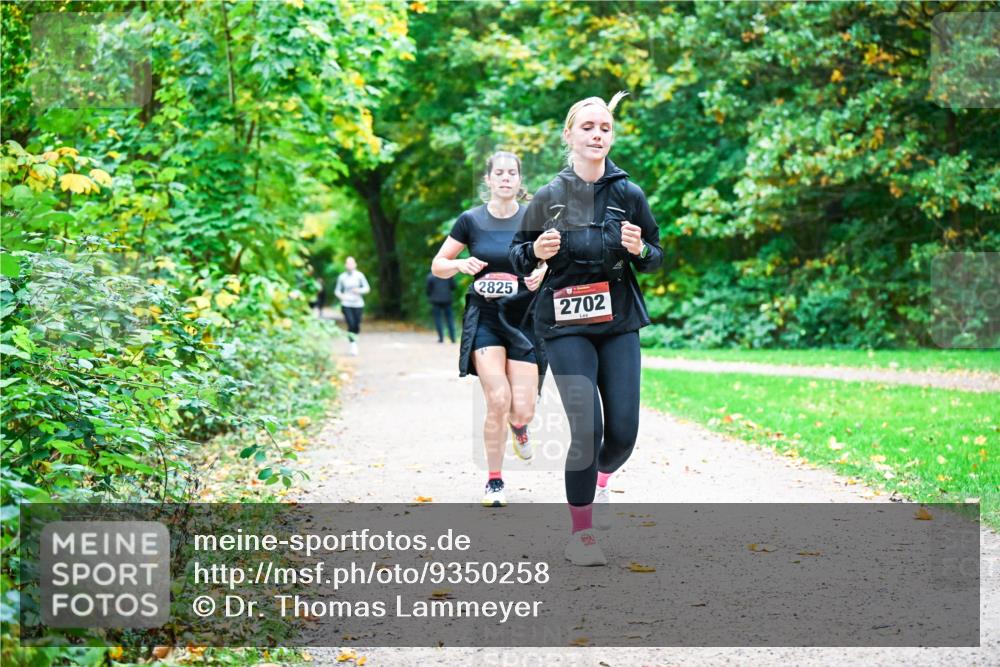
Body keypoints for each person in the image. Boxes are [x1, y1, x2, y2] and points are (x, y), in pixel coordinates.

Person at [509, 92, 662, 565]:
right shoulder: (548, 198)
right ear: (570, 135)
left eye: (605, 128)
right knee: (587, 429)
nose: (598, 135)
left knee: (622, 433)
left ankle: (601, 481)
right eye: (589, 127)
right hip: (564, 324)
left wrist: (640, 250)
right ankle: (582, 533)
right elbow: (517, 255)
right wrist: (538, 253)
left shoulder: (628, 194)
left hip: (617, 322)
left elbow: (657, 257)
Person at [431, 151, 547, 507]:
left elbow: (555, 259)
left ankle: (520, 427)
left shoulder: (534, 218)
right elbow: (438, 265)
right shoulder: (471, 220)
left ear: (519, 179)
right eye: (499, 173)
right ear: (488, 180)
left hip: (526, 318)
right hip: (487, 318)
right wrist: (461, 263)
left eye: (512, 173)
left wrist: (544, 272)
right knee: (498, 399)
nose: (506, 178)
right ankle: (494, 481)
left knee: (522, 407)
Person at [334, 256, 370, 356]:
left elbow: (367, 288)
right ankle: (353, 344)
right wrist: (341, 296)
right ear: (345, 265)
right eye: (347, 263)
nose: (349, 265)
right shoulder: (342, 277)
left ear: (355, 264)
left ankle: (355, 339)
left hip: (358, 304)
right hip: (346, 304)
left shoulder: (359, 276)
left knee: (356, 324)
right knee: (350, 323)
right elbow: (337, 290)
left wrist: (359, 290)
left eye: (351, 263)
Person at [425, 272, 456, 343]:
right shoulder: (448, 275)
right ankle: (453, 338)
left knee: (438, 319)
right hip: (447, 299)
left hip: (435, 300)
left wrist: (431, 296)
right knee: (449, 319)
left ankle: (441, 338)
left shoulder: (430, 276)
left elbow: (428, 290)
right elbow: (453, 286)